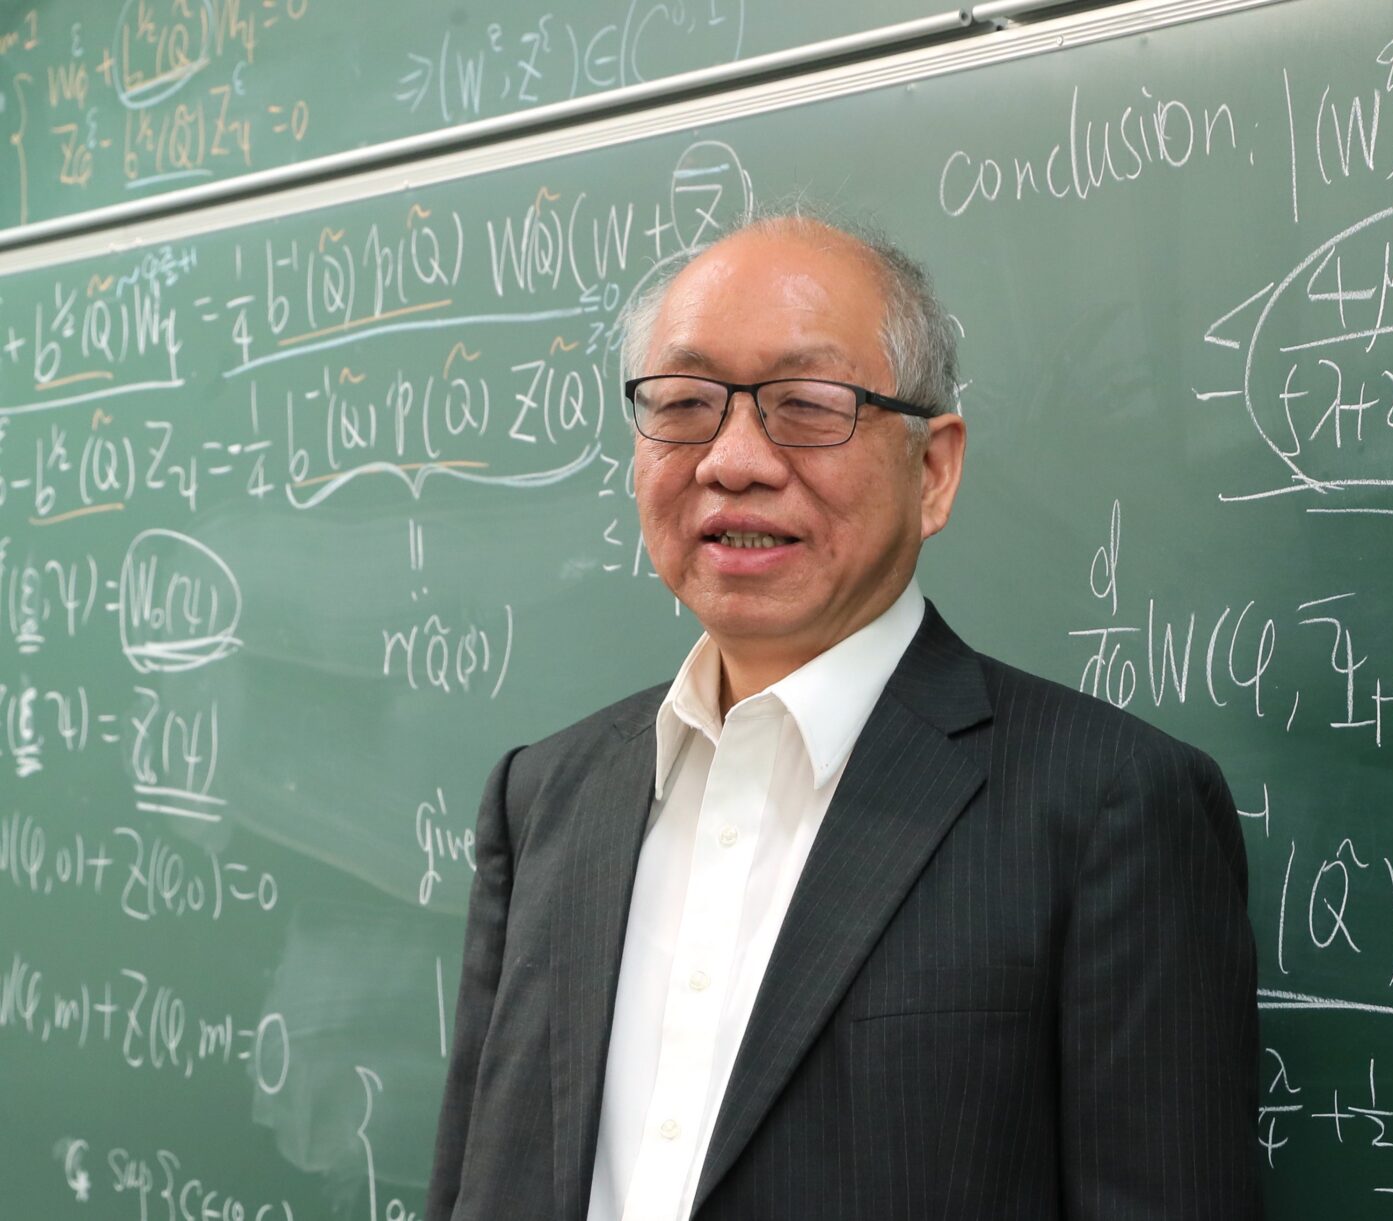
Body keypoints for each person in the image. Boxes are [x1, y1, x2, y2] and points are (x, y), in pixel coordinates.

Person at [426, 213, 1263, 1220]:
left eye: (807, 406)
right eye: (685, 403)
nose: (732, 461)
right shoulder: (545, 796)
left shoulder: (1105, 808)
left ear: (933, 469)